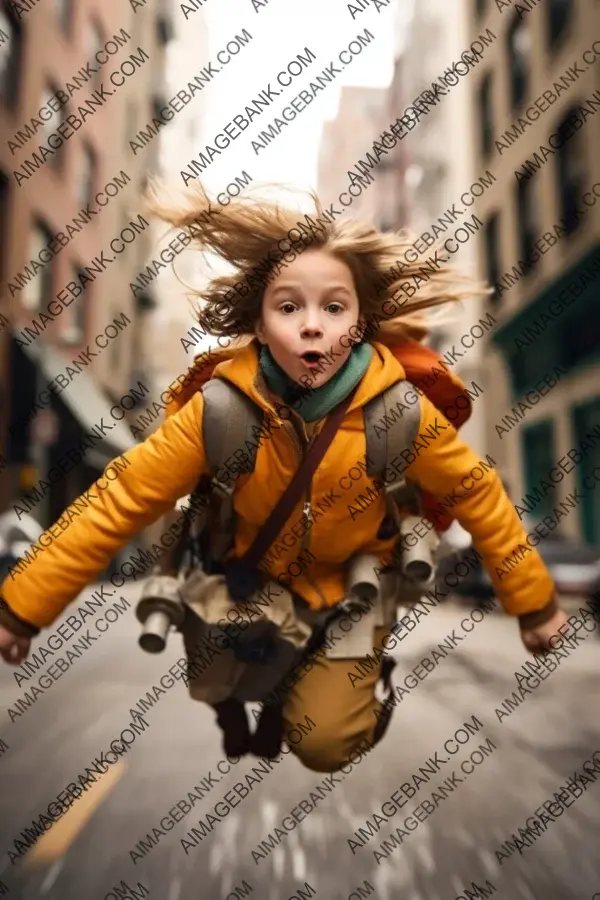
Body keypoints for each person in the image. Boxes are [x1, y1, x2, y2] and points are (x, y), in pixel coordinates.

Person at [0, 182, 567, 774]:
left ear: (361, 321)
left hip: (352, 590)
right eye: (289, 306)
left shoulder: (397, 411)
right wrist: (23, 608)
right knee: (218, 676)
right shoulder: (221, 411)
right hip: (252, 586)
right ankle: (275, 677)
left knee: (322, 744)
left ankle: (343, 678)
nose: (312, 326)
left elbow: (476, 488)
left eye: (335, 307)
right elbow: (119, 498)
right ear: (261, 322)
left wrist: (532, 603)